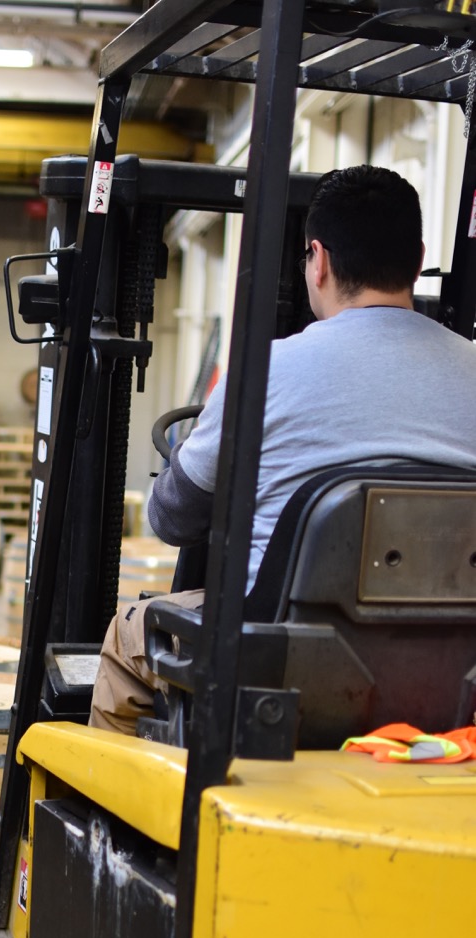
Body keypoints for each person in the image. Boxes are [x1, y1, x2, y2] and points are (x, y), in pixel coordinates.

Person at [89, 164, 476, 734]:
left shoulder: (263, 372)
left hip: (281, 673)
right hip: (451, 677)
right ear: (417, 261)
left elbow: (170, 518)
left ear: (317, 260)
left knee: (128, 634)